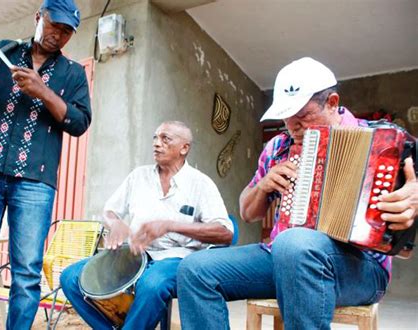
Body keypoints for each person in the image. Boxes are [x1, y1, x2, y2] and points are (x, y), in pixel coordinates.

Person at [177, 57, 418, 329]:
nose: (292, 127)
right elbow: (247, 212)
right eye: (286, 117)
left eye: (302, 116)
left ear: (332, 103)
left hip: (360, 266)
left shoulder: (383, 140)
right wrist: (264, 185)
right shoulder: (278, 147)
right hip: (282, 257)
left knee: (294, 245)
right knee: (195, 269)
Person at [0, 0, 91, 329]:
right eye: (54, 25)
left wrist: (44, 92)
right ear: (38, 17)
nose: (58, 35)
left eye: (67, 32)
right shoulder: (5, 50)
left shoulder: (73, 74)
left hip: (35, 181)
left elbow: (80, 122)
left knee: (27, 275)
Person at [60, 121, 233, 329]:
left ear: (184, 148)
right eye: (155, 138)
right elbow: (110, 210)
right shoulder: (138, 176)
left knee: (152, 284)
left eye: (165, 139)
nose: (156, 144)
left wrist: (171, 225)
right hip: (135, 253)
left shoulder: (201, 184)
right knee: (71, 277)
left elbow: (224, 232)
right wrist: (115, 223)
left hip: (177, 257)